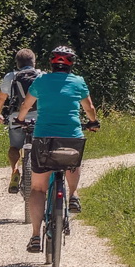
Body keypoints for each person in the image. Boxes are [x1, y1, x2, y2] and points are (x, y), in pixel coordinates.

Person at [16, 45, 99, 254]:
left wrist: (20, 119)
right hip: (71, 136)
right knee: (73, 160)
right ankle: (73, 195)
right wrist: (93, 122)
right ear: (72, 64)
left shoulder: (41, 81)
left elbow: (26, 105)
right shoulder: (78, 82)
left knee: (37, 189)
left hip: (44, 138)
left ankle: (35, 235)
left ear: (52, 62)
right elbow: (89, 108)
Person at [0, 48, 40, 193]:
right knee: (40, 147)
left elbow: (1, 98)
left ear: (17, 63)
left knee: (14, 147)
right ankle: (37, 175)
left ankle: (15, 170)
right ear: (34, 62)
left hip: (17, 118)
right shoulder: (41, 76)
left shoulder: (10, 76)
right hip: (39, 118)